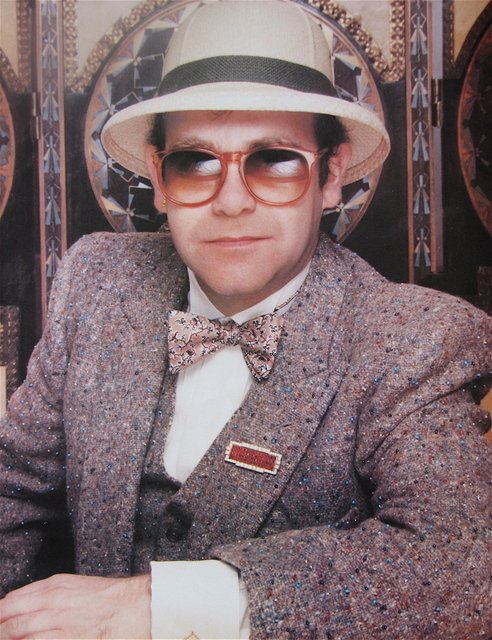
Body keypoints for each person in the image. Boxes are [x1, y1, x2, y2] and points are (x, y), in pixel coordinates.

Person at [0, 1, 491, 638]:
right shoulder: (97, 282)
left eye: (275, 159)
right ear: (159, 178)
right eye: (195, 162)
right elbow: (12, 489)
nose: (231, 202)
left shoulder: (412, 339)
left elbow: (462, 566)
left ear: (332, 175)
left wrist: (158, 606)